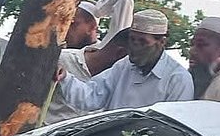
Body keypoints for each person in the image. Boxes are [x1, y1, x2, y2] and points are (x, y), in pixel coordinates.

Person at [55, 8, 194, 114]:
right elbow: (91, 97)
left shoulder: (178, 80)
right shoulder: (124, 66)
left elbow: (172, 128)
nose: (135, 46)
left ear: (161, 42)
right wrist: (65, 77)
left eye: (142, 42)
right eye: (132, 40)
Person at [47, 0, 135, 124]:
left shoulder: (113, 54)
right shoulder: (62, 58)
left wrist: (99, 10)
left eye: (73, 24)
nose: (66, 30)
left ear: (93, 27)